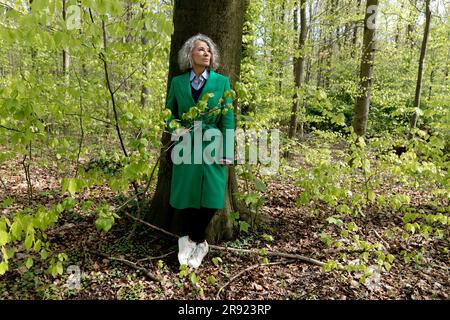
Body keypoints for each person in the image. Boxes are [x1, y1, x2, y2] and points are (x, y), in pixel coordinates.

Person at [164, 34, 235, 269]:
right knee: (186, 195)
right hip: (186, 146)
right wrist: (177, 128)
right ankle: (183, 240)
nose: (207, 53)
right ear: (189, 55)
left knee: (213, 196)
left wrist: (227, 150)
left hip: (213, 143)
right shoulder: (177, 83)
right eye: (201, 50)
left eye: (209, 51)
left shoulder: (222, 82)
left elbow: (228, 118)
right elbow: (168, 115)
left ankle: (199, 241)